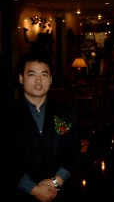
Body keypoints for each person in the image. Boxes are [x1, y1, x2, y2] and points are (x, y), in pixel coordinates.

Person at [9, 49, 81, 201]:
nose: (38, 81)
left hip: (60, 193)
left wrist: (56, 182)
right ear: (21, 78)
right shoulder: (7, 115)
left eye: (44, 74)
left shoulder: (66, 112)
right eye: (31, 74)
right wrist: (33, 189)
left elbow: (74, 151)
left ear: (50, 79)